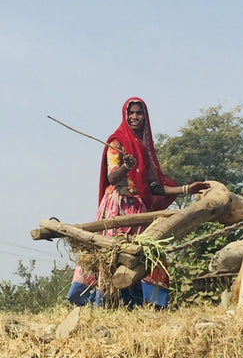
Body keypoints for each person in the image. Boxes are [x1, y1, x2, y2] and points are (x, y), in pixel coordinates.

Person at [66, 97, 210, 308]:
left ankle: (135, 303)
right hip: (118, 207)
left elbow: (155, 186)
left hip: (138, 210)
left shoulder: (143, 150)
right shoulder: (116, 142)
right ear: (125, 115)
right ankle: (101, 301)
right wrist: (126, 166)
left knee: (140, 256)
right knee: (111, 253)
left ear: (145, 117)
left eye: (139, 113)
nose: (135, 117)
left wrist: (188, 189)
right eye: (131, 113)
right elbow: (113, 177)